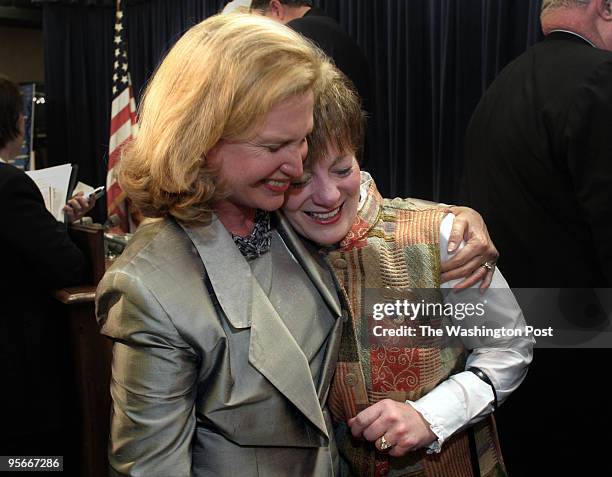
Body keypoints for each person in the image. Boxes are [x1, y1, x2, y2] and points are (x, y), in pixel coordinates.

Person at [95, 14, 496, 477]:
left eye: (301, 140)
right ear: (199, 140)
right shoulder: (150, 286)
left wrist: (450, 222)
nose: (296, 166)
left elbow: (352, 200)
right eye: (274, 146)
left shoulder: (280, 213)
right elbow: (150, 468)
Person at [282, 65, 533, 476]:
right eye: (301, 181)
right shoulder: (270, 246)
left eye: (342, 170)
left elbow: (509, 346)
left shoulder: (442, 236)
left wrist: (432, 414)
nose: (327, 195)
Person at [462, 0, 612, 473]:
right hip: (588, 347)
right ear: (604, 8)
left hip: (514, 338)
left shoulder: (501, 84)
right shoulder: (600, 76)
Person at [0, 75, 95, 455]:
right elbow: (68, 267)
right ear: (15, 122)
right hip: (17, 376)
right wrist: (62, 229)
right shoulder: (10, 186)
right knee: (36, 464)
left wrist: (57, 222)